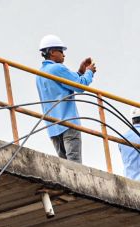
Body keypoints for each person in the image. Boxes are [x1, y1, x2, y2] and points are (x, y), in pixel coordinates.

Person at [35, 34, 96, 163]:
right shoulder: (57, 68)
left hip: (53, 127)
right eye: (61, 51)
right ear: (52, 52)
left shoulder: (40, 74)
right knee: (75, 166)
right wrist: (89, 72)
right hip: (68, 123)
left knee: (65, 167)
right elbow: (80, 86)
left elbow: (67, 83)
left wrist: (80, 72)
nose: (64, 55)